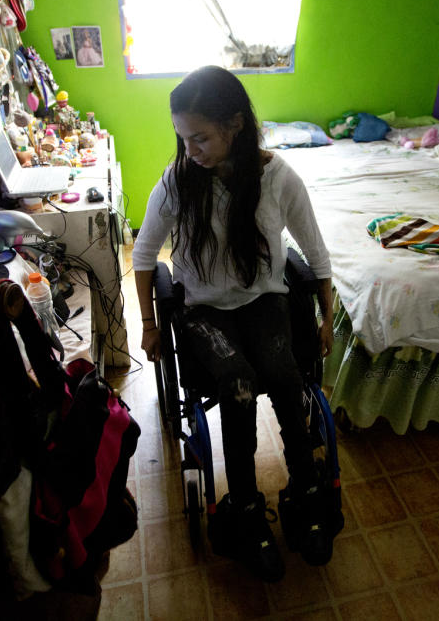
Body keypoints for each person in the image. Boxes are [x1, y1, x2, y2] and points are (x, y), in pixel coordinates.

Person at [132, 65, 336, 582]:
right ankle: (244, 505)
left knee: (288, 376)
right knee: (238, 383)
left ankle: (306, 491)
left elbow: (315, 252)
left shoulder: (278, 176)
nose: (190, 149)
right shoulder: (179, 181)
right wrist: (151, 324)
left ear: (236, 124)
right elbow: (143, 254)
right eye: (183, 138)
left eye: (200, 137)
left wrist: (328, 316)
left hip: (262, 299)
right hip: (203, 309)